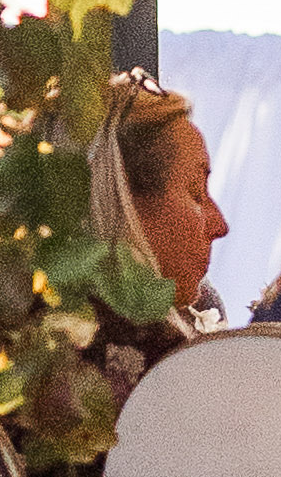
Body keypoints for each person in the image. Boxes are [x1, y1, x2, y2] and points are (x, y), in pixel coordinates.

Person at [87, 77, 226, 354]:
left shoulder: (201, 304)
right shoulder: (65, 355)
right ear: (120, 200)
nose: (220, 226)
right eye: (196, 192)